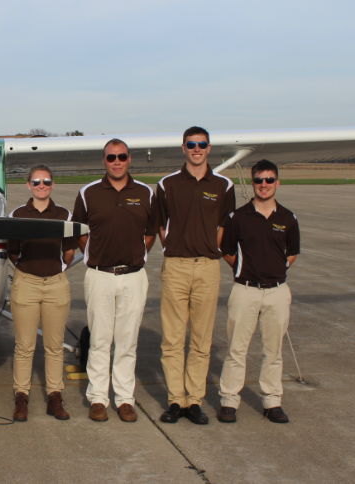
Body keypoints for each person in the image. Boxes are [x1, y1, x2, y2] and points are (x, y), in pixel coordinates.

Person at [153, 126, 236, 425]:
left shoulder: (224, 185)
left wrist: (209, 247)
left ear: (209, 148)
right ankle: (176, 400)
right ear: (184, 147)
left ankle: (194, 401)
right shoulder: (167, 184)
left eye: (202, 144)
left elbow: (225, 224)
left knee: (202, 339)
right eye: (191, 144)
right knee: (173, 338)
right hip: (176, 266)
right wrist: (173, 248)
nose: (197, 149)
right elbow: (161, 225)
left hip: (207, 268)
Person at [73, 139, 157, 423]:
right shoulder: (88, 193)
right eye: (111, 157)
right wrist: (94, 255)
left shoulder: (145, 192)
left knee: (127, 342)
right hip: (100, 276)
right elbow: (80, 232)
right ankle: (98, 398)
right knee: (99, 340)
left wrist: (137, 255)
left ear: (129, 158)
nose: (117, 161)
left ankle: (124, 400)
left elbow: (151, 232)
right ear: (104, 160)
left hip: (134, 276)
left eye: (121, 156)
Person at [217, 160, 299, 424]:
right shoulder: (238, 217)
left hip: (277, 292)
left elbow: (292, 253)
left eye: (269, 180)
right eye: (259, 180)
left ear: (277, 183)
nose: (264, 184)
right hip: (245, 290)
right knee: (236, 349)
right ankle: (229, 400)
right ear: (251, 183)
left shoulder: (288, 218)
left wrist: (273, 271)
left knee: (272, 350)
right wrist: (245, 270)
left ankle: (272, 401)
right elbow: (227, 252)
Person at [7, 164, 79, 421]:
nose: (41, 186)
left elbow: (69, 250)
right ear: (29, 185)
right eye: (36, 182)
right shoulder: (17, 215)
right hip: (26, 283)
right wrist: (27, 270)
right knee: (24, 346)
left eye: (46, 182)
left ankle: (54, 396)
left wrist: (58, 268)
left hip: (56, 284)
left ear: (52, 185)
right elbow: (12, 251)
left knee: (54, 346)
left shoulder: (63, 214)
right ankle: (21, 397)